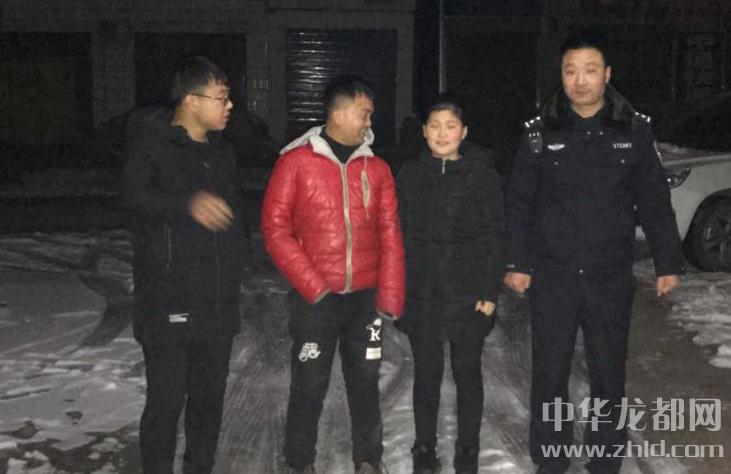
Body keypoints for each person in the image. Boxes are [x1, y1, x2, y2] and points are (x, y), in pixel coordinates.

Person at [504, 32, 683, 474]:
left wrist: (667, 261)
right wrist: (517, 262)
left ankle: (605, 460)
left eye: (589, 70)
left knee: (607, 372)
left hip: (609, 274)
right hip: (553, 274)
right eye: (571, 71)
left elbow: (654, 199)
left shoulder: (633, 131)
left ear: (606, 74)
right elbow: (519, 202)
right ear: (561, 75)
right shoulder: (539, 132)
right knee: (550, 373)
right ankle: (551, 458)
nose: (580, 81)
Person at [260, 75, 405, 474]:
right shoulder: (294, 163)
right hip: (315, 299)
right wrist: (313, 285)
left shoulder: (377, 169)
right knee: (309, 383)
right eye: (364, 113)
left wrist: (390, 293)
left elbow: (390, 233)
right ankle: (300, 462)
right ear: (338, 113)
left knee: (366, 381)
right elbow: (274, 230)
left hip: (365, 298)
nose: (369, 122)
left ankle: (368, 459)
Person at [122, 56, 246, 474]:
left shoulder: (223, 152)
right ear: (191, 101)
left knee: (208, 403)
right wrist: (186, 203)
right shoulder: (151, 147)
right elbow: (133, 201)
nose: (230, 106)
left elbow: (234, 218)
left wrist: (236, 264)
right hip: (167, 301)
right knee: (167, 401)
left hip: (216, 303)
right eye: (221, 98)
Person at [396, 98, 505, 474]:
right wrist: (397, 287)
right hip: (422, 292)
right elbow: (396, 233)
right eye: (435, 125)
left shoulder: (481, 175)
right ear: (424, 131)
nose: (442, 133)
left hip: (467, 292)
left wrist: (489, 292)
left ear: (464, 132)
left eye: (451, 126)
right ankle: (424, 448)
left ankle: (467, 448)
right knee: (426, 374)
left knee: (467, 373)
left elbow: (495, 237)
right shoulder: (410, 174)